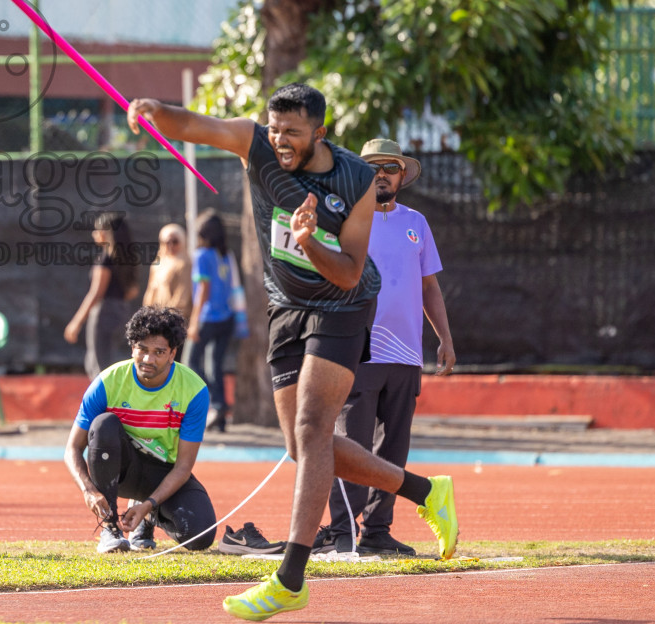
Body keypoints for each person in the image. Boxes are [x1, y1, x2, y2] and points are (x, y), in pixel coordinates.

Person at [126, 84, 458, 621]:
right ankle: (425, 490)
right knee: (306, 446)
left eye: (293, 133)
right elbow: (194, 125)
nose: (280, 140)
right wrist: (154, 111)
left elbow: (351, 271)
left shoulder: (354, 180)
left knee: (311, 426)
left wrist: (308, 243)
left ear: (320, 133)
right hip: (285, 307)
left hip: (344, 305)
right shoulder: (256, 143)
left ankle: (291, 577)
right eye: (275, 128)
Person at [318, 138, 456, 557]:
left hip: (406, 356)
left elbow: (429, 286)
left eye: (390, 167)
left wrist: (445, 339)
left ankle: (378, 529)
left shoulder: (417, 222)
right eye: (373, 166)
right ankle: (342, 531)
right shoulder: (343, 218)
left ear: (402, 176)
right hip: (358, 352)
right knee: (350, 445)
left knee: (393, 446)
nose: (382, 173)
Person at [64, 306, 221, 554]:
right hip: (121, 472)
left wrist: (148, 505)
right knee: (103, 424)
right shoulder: (108, 381)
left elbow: (183, 467)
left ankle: (148, 518)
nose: (148, 359)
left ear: (172, 354)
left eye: (159, 352)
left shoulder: (194, 391)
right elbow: (73, 448)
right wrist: (89, 491)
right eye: (143, 350)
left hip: (163, 473)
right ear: (132, 348)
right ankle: (111, 527)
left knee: (200, 536)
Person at [63, 211, 141, 378]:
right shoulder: (126, 259)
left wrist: (76, 323)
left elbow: (96, 293)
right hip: (122, 313)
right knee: (107, 361)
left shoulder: (105, 260)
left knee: (99, 365)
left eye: (97, 230)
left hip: (104, 313)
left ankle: (104, 402)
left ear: (107, 233)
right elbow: (132, 291)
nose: (94, 234)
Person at [187, 211, 239, 432]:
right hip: (227, 317)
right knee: (214, 365)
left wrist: (193, 321)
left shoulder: (202, 255)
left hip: (208, 317)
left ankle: (214, 403)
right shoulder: (225, 255)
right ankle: (220, 410)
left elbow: (204, 290)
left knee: (190, 362)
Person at [141, 223, 192, 324]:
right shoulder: (158, 263)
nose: (170, 245)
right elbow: (151, 290)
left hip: (174, 320)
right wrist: (146, 313)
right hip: (156, 318)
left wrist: (168, 317)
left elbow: (182, 296)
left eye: (175, 241)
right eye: (167, 242)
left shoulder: (184, 264)